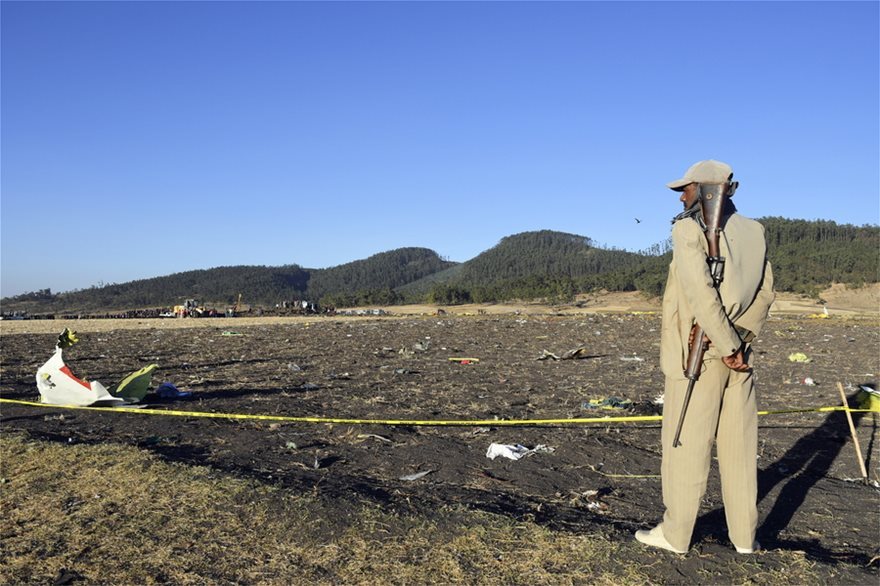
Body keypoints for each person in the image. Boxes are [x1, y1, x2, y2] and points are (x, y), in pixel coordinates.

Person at [635, 160, 775, 555]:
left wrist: (726, 345)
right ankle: (746, 540)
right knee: (740, 450)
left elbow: (700, 293)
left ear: (707, 190)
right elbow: (765, 293)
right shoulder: (756, 231)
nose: (682, 196)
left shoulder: (686, 228)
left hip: (700, 357)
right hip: (740, 357)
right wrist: (742, 341)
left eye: (687, 188)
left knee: (686, 447)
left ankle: (676, 535)